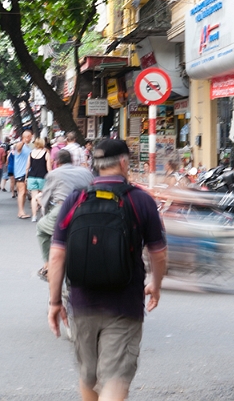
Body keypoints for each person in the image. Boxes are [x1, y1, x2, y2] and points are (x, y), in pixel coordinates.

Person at [48, 139, 167, 401]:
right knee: (115, 379)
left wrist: (55, 302)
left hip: (81, 304)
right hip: (124, 305)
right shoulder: (141, 201)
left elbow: (56, 256)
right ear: (124, 163)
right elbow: (158, 254)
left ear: (95, 165)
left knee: (88, 377)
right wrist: (156, 285)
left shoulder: (75, 200)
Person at [36, 149, 93, 280]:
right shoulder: (86, 172)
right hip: (87, 212)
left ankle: (48, 265)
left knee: (40, 228)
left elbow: (45, 200)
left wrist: (40, 201)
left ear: (57, 162)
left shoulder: (54, 174)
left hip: (62, 212)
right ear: (72, 160)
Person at [25, 137, 52, 222]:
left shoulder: (31, 153)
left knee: (34, 197)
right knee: (43, 196)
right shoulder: (46, 154)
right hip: (42, 177)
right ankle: (44, 213)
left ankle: (34, 216)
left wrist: (26, 177)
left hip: (31, 177)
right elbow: (48, 168)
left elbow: (27, 167)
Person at [14, 130, 33, 219]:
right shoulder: (19, 145)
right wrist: (23, 141)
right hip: (20, 173)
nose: (31, 138)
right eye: (30, 137)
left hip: (26, 172)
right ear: (26, 137)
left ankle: (21, 211)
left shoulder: (28, 147)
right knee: (21, 192)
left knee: (24, 192)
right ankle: (20, 212)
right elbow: (18, 148)